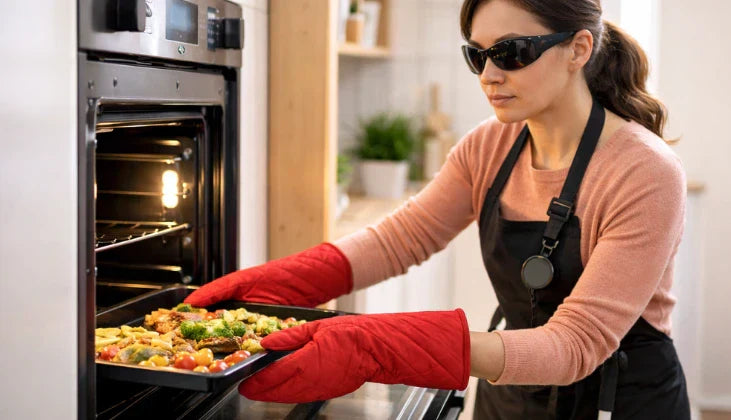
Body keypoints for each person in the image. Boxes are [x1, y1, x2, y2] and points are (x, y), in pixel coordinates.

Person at [184, 0, 691, 418]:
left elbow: (576, 345)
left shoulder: (644, 171)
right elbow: (400, 240)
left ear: (578, 48)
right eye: (478, 56)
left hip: (619, 398)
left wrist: (382, 347)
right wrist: (287, 280)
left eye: (512, 52)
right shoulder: (489, 146)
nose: (489, 75)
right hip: (511, 390)